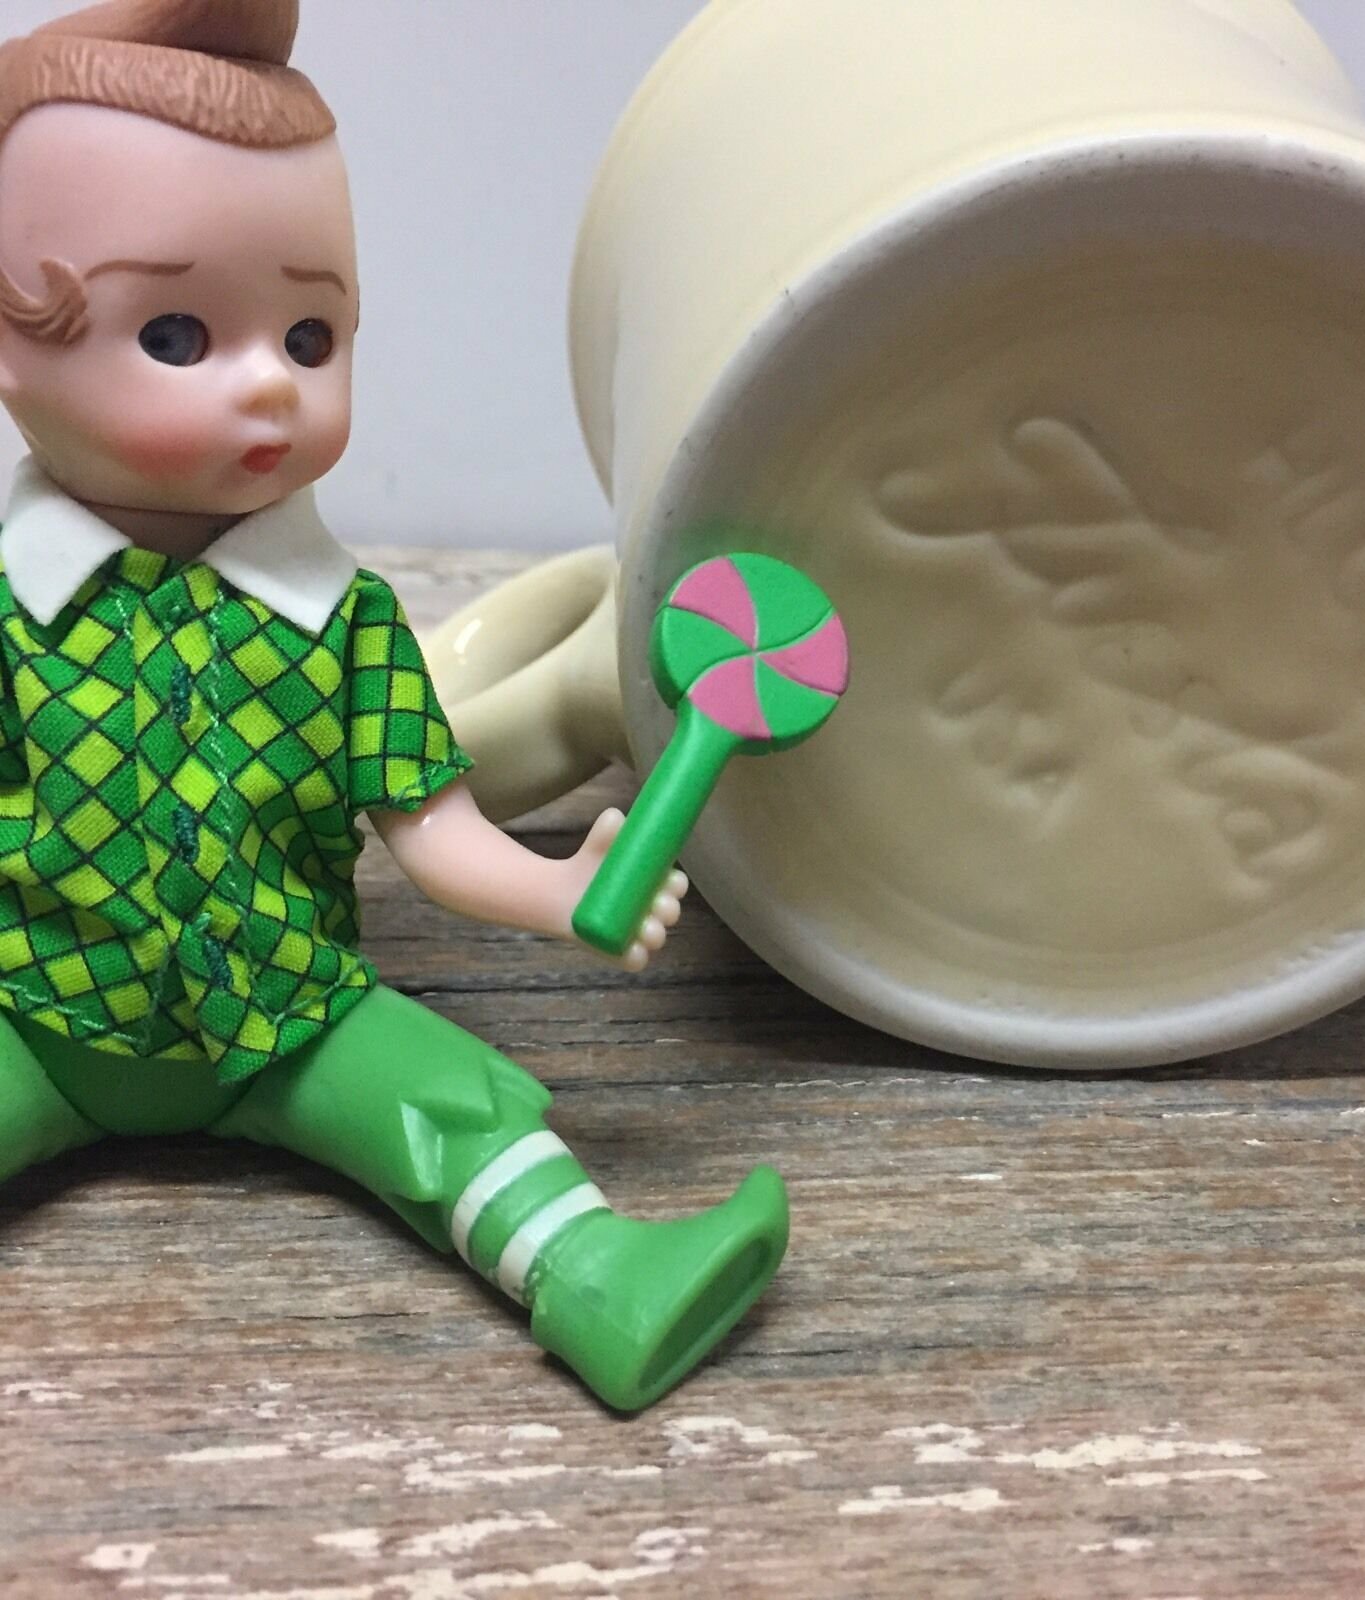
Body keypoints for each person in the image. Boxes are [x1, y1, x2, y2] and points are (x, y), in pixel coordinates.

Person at [0, 0, 788, 1413]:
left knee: (446, 1098)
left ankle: (601, 1277)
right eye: (177, 332)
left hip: (292, 1020)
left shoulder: (348, 626)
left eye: (312, 334)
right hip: (36, 1014)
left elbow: (433, 830)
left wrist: (558, 890)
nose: (270, 384)